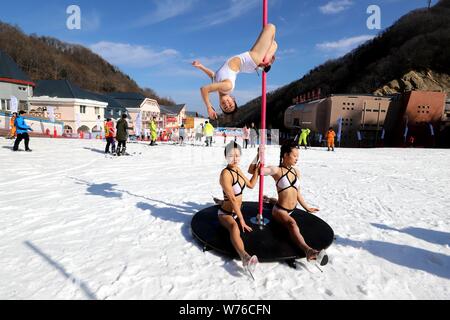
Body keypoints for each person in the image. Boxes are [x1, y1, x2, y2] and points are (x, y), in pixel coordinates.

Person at [193, 24, 278, 119]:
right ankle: (266, 61)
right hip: (251, 59)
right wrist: (209, 107)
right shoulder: (227, 87)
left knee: (273, 44)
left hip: (247, 63)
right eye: (231, 105)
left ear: (220, 106)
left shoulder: (218, 88)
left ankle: (265, 62)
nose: (227, 105)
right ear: (233, 99)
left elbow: (213, 75)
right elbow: (204, 89)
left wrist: (200, 66)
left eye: (225, 107)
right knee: (271, 28)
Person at [260, 141, 326, 263]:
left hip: (291, 208)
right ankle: (308, 251)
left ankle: (269, 199)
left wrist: (307, 207)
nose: (297, 159)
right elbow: (262, 171)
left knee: (277, 201)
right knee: (292, 224)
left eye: (298, 156)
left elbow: (297, 193)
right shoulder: (277, 170)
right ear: (285, 155)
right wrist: (260, 156)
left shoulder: (296, 172)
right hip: (280, 210)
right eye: (294, 155)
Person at [219, 142, 260, 274]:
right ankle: (245, 257)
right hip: (226, 213)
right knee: (234, 227)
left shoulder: (237, 169)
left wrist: (257, 167)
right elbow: (232, 199)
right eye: (231, 155)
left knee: (237, 224)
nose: (235, 158)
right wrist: (241, 219)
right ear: (226, 156)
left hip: (236, 211)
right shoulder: (225, 174)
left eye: (237, 155)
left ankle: (219, 202)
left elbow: (251, 184)